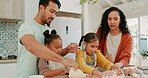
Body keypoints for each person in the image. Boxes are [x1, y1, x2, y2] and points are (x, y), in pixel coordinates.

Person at [15, 0, 78, 78]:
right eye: (52, 11)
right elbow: (31, 46)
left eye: (55, 13)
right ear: (41, 8)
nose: (54, 16)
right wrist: (63, 60)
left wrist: (66, 50)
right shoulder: (27, 27)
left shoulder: (50, 31)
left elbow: (52, 54)